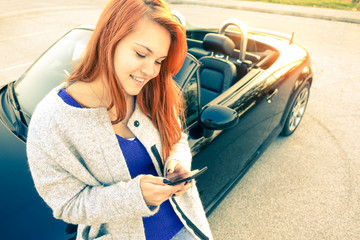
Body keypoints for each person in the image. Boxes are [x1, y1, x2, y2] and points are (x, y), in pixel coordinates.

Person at [26, 0, 213, 239]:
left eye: (159, 61)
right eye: (141, 54)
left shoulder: (152, 90)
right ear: (108, 38)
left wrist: (177, 162)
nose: (150, 71)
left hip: (187, 229)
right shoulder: (52, 121)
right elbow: (67, 204)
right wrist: (134, 197)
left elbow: (177, 138)